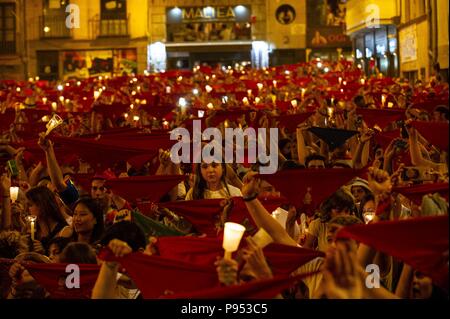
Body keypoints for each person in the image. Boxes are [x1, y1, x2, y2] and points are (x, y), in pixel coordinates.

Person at [25, 186, 68, 252]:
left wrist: (44, 252)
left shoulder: (63, 231)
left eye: (30, 205)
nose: (27, 209)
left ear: (42, 205)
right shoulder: (32, 229)